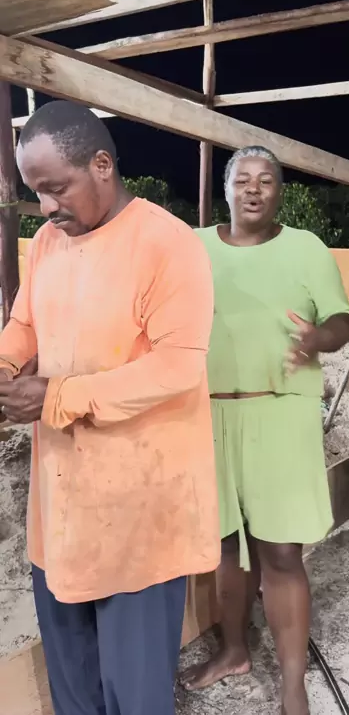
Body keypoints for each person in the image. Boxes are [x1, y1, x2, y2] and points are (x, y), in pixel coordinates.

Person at [0, 101, 219, 715]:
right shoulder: (48, 242)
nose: (47, 207)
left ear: (101, 164)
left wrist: (57, 395)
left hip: (139, 513)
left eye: (56, 188)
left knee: (135, 690)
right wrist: (6, 364)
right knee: (73, 678)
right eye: (36, 192)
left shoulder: (166, 244)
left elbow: (178, 366)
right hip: (61, 505)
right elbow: (25, 323)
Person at [183, 146, 349, 715]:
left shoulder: (305, 247)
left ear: (279, 192)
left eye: (265, 180)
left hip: (279, 412)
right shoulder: (193, 247)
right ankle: (234, 649)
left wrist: (318, 339)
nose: (253, 189)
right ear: (226, 190)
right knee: (226, 546)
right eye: (242, 180)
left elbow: (341, 320)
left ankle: (292, 686)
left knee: (280, 551)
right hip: (209, 414)